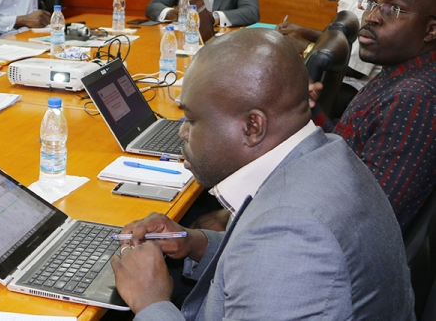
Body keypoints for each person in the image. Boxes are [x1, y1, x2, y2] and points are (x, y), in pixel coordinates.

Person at [110, 29, 413, 320]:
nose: (182, 132)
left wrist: (150, 301)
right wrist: (195, 243)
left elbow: (274, 253)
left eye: (191, 119)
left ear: (252, 127)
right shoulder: (327, 154)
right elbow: (262, 271)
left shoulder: (288, 235)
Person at [311, 0, 436, 232]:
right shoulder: (399, 70)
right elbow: (349, 149)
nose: (371, 17)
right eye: (372, 3)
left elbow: (361, 218)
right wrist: (309, 110)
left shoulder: (414, 98)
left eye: (394, 9)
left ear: (431, 30)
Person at [277, 0, 380, 115]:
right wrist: (302, 31)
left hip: (359, 88)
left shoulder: (364, 3)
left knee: (286, 90)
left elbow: (355, 68)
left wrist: (305, 48)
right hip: (349, 78)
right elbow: (342, 40)